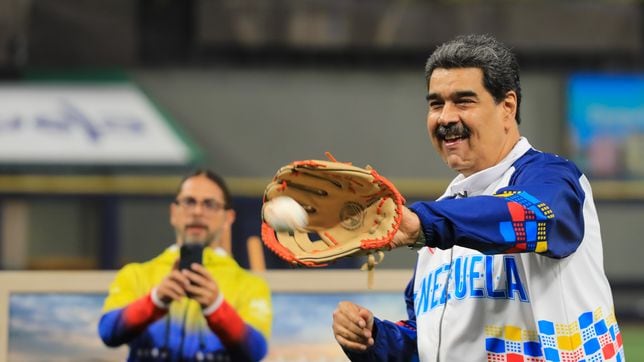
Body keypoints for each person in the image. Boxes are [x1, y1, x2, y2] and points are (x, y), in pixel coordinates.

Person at [332, 34, 624, 361]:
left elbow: (531, 218)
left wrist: (423, 224)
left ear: (507, 108)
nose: (445, 117)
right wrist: (374, 339)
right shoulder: (442, 216)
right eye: (436, 103)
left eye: (464, 101)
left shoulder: (553, 178)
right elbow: (430, 344)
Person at [99, 170, 272, 361]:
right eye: (189, 202)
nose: (197, 212)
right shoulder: (136, 274)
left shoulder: (250, 285)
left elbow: (255, 351)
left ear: (228, 218)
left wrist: (216, 307)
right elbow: (108, 333)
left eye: (210, 204)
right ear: (174, 212)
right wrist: (156, 300)